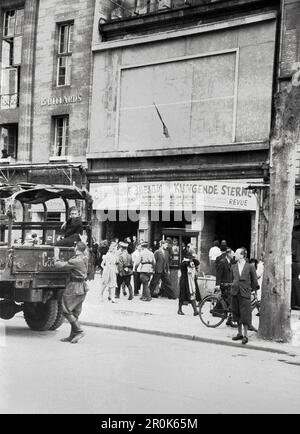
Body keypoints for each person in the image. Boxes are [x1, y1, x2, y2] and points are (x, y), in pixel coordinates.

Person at [54, 241, 89, 344]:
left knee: (66, 310)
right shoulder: (85, 257)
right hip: (82, 287)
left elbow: (58, 265)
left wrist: (56, 254)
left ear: (76, 248)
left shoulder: (76, 260)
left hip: (74, 287)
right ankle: (73, 336)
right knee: (75, 312)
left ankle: (79, 331)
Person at [230, 247, 258, 345]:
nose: (235, 255)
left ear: (242, 255)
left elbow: (254, 280)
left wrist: (254, 291)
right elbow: (231, 279)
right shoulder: (233, 266)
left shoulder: (250, 266)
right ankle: (239, 333)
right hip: (235, 292)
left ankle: (245, 335)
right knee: (236, 313)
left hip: (245, 293)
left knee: (245, 314)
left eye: (237, 254)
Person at [215, 248, 236, 327]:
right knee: (230, 301)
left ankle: (229, 319)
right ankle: (218, 312)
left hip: (229, 284)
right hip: (224, 284)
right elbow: (218, 274)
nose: (233, 255)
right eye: (232, 253)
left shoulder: (230, 262)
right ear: (228, 254)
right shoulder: (223, 262)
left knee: (228, 302)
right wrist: (217, 285)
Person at [178, 251, 200, 316]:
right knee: (182, 296)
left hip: (190, 282)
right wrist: (188, 261)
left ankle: (195, 311)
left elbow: (197, 262)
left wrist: (192, 258)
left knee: (192, 295)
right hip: (184, 282)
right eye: (190, 258)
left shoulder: (192, 262)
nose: (191, 259)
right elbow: (185, 265)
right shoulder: (183, 263)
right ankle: (179, 310)